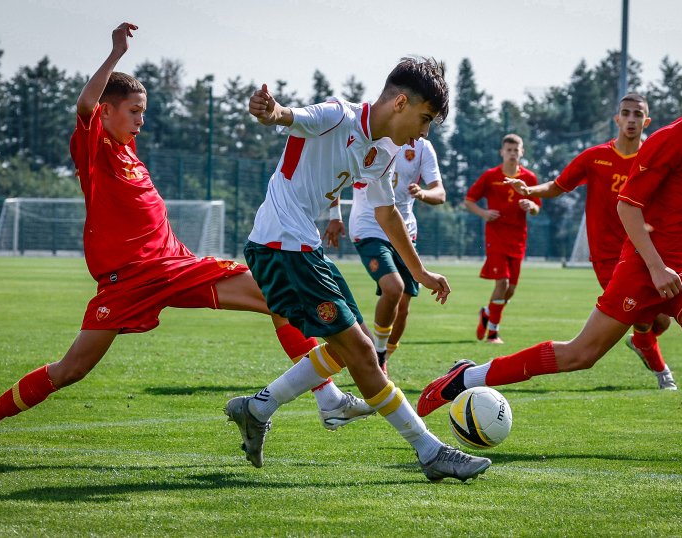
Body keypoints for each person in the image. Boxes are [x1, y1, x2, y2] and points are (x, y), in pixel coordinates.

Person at [0, 22, 371, 463]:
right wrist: (117, 53)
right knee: (71, 370)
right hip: (126, 283)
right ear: (107, 112)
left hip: (178, 269)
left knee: (279, 297)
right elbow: (84, 104)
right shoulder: (95, 149)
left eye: (143, 112)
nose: (141, 120)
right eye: (134, 111)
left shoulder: (128, 153)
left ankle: (327, 398)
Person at [418, 54, 682, 462]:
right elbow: (628, 206)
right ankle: (464, 378)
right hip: (645, 268)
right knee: (581, 354)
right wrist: (657, 266)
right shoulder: (669, 140)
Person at [226, 57, 490, 482]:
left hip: (301, 249)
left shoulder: (382, 150)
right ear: (400, 102)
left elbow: (387, 214)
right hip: (280, 247)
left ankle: (257, 407)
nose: (423, 133)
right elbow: (288, 117)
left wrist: (418, 273)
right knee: (364, 354)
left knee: (356, 343)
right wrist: (270, 111)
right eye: (424, 119)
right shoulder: (337, 116)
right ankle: (430, 451)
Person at [505, 94, 677, 390]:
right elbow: (557, 187)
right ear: (617, 119)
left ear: (646, 121)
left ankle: (641, 342)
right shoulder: (595, 156)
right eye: (626, 113)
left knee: (661, 320)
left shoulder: (653, 158)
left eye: (638, 114)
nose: (632, 119)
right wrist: (530, 189)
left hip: (644, 253)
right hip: (608, 257)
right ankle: (663, 374)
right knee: (640, 313)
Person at [323, 137, 446, 374]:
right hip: (368, 227)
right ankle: (378, 356)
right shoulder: (371, 136)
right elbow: (336, 173)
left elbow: (439, 193)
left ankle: (382, 357)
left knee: (403, 308)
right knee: (393, 287)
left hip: (404, 232)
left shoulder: (421, 147)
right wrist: (334, 216)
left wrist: (422, 193)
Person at [464, 134, 541, 344]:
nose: (513, 154)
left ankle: (487, 312)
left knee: (510, 290)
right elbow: (469, 200)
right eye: (509, 150)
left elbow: (537, 208)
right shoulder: (490, 176)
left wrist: (530, 206)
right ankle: (493, 333)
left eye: (516, 150)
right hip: (496, 236)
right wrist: (484, 213)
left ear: (522, 152)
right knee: (502, 282)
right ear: (502, 152)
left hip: (518, 238)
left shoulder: (530, 178)